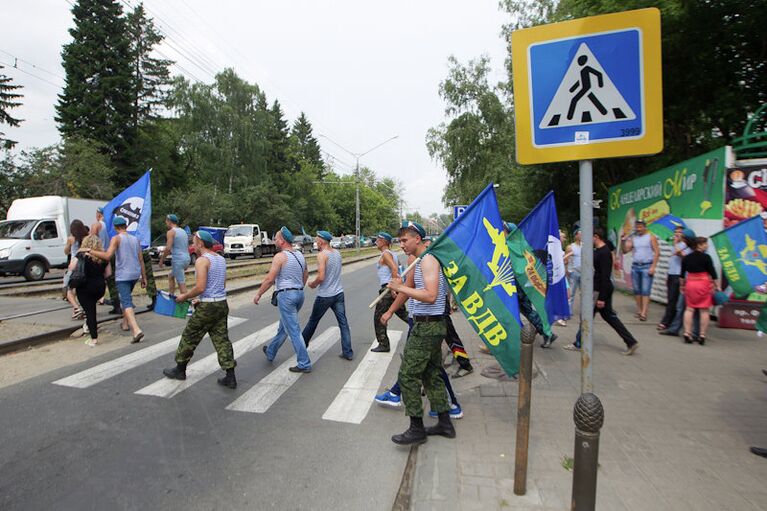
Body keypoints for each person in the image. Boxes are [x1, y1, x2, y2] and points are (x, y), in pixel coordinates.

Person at [381, 222, 453, 445]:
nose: (400, 244)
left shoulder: (429, 261)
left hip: (428, 326)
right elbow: (408, 289)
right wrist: (392, 309)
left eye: (404, 240)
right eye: (399, 240)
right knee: (431, 374)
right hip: (427, 325)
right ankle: (444, 423)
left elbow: (430, 295)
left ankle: (416, 429)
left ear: (417, 240)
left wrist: (401, 287)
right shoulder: (418, 262)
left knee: (407, 376)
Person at [162, 231, 237, 388]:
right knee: (222, 339)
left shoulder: (202, 261)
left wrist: (185, 296)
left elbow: (201, 287)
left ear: (201, 243)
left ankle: (180, 369)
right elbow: (221, 286)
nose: (192, 245)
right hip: (221, 304)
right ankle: (230, 376)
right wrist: (201, 298)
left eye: (194, 242)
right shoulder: (221, 259)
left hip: (208, 307)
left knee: (190, 336)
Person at [563, 228, 639, 355]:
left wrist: (602, 298)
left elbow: (605, 276)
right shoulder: (599, 250)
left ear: (596, 237)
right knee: (608, 316)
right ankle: (631, 341)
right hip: (599, 289)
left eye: (590, 237)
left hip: (599, 290)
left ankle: (579, 343)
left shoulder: (604, 252)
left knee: (586, 315)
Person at [254, 227, 311, 373]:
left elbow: (270, 279)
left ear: (282, 240)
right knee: (284, 327)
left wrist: (259, 294)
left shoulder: (280, 257)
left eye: (276, 238)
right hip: (299, 294)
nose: (274, 241)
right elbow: (306, 275)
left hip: (286, 296)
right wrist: (298, 289)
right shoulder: (299, 255)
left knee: (293, 331)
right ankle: (271, 351)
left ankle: (304, 363)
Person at [86, 216, 147, 343]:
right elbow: (141, 259)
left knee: (126, 301)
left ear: (115, 227)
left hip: (123, 275)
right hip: (135, 273)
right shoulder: (135, 239)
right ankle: (125, 324)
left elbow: (108, 256)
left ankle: (136, 330)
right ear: (126, 226)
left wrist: (90, 251)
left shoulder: (116, 238)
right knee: (126, 298)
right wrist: (144, 277)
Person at [301, 230, 353, 360]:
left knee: (313, 321)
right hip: (338, 293)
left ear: (322, 241)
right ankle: (348, 352)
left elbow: (322, 276)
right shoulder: (337, 253)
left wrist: (313, 284)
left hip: (325, 295)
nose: (315, 242)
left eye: (317, 240)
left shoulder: (322, 255)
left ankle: (301, 346)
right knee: (343, 323)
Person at [371, 232, 409, 353]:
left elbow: (394, 269)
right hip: (392, 287)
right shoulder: (393, 254)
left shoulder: (386, 254)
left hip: (387, 289)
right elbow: (400, 269)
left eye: (378, 239)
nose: (376, 241)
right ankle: (418, 328)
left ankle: (384, 344)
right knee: (403, 314)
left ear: (384, 241)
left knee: (379, 317)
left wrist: (393, 288)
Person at [72, 235, 110, 347]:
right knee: (91, 308)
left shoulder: (81, 256)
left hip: (85, 287)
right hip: (99, 287)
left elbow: (71, 267)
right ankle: (90, 328)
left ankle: (94, 338)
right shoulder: (103, 258)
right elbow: (108, 274)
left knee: (90, 312)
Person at [680, 236, 719, 345]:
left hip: (690, 283)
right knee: (704, 310)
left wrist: (682, 286)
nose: (707, 246)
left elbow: (682, 274)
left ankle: (687, 333)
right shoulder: (707, 257)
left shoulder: (687, 258)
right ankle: (702, 335)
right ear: (699, 245)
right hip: (703, 283)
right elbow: (713, 272)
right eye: (705, 244)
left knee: (689, 309)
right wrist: (716, 285)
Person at [621, 219, 659, 321]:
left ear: (645, 227)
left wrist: (653, 266)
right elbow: (625, 251)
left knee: (645, 290)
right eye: (637, 226)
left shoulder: (651, 237)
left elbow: (657, 252)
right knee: (637, 290)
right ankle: (639, 310)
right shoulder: (634, 238)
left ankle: (644, 312)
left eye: (640, 226)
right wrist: (623, 240)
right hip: (635, 266)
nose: (639, 228)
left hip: (647, 265)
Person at [658, 226, 689, 330]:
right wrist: (667, 274)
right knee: (671, 299)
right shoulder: (675, 245)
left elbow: (680, 254)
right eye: (675, 232)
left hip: (678, 275)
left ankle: (666, 322)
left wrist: (675, 243)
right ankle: (670, 321)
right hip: (672, 274)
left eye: (679, 232)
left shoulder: (684, 245)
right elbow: (671, 261)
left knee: (673, 300)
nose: (677, 234)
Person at [91, 207, 120, 314]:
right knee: (111, 281)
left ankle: (92, 304)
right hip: (110, 254)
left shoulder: (96, 225)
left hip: (100, 256)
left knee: (95, 281)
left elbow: (91, 240)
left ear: (98, 214)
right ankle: (117, 305)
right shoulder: (110, 225)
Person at [158, 214, 190, 296]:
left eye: (166, 221)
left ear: (169, 221)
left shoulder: (171, 232)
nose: (165, 223)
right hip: (186, 258)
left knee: (181, 285)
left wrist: (161, 261)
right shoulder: (183, 231)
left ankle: (185, 305)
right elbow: (181, 245)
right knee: (171, 276)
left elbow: (168, 248)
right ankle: (171, 296)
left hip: (178, 260)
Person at [63, 219, 88, 320]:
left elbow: (66, 252)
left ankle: (77, 308)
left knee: (68, 288)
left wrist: (68, 243)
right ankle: (81, 309)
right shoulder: (87, 238)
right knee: (82, 287)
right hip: (85, 264)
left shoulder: (71, 239)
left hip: (74, 265)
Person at [564, 228, 582, 315]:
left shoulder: (585, 245)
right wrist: (567, 270)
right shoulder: (570, 247)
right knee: (571, 293)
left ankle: (585, 311)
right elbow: (566, 259)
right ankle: (568, 311)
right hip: (574, 272)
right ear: (576, 236)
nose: (582, 235)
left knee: (584, 293)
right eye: (580, 234)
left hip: (584, 272)